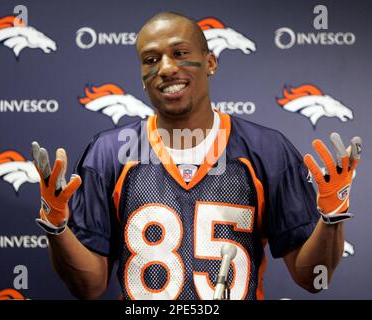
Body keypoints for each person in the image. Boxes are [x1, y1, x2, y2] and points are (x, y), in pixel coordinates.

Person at [31, 12, 362, 300]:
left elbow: (312, 279)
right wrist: (57, 228)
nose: (166, 68)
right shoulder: (108, 153)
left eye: (179, 52)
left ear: (210, 62)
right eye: (151, 59)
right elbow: (87, 288)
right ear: (142, 76)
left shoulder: (266, 150)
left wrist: (331, 220)